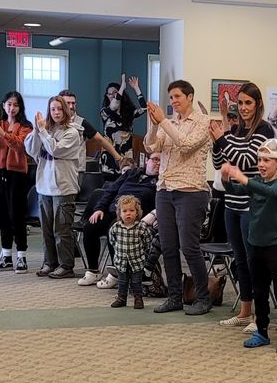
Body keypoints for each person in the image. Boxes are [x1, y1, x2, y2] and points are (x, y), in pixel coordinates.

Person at [222, 139, 277, 354]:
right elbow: (237, 191)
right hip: (256, 243)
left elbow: (272, 193)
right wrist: (226, 179)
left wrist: (243, 178)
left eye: (267, 160)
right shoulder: (257, 182)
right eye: (259, 159)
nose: (261, 163)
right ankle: (262, 331)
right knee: (259, 291)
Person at [145, 80, 214, 316]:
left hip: (191, 191)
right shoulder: (170, 122)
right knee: (168, 246)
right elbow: (151, 146)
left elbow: (185, 146)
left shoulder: (204, 122)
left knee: (189, 247)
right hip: (165, 189)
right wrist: (154, 124)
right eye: (171, 97)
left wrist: (163, 120)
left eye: (177, 97)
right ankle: (174, 297)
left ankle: (203, 298)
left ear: (190, 97)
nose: (173, 101)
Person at [210, 82, 275, 330]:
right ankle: (245, 311)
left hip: (253, 205)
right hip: (232, 203)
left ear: (257, 104)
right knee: (239, 260)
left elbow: (248, 163)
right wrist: (217, 142)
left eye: (249, 103)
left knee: (253, 260)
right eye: (241, 103)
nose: (244, 108)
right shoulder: (237, 131)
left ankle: (260, 314)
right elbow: (221, 162)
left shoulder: (264, 130)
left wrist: (224, 141)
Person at [77, 152, 160, 287]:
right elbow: (110, 191)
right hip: (113, 210)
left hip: (134, 217)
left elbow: (160, 204)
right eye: (155, 159)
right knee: (90, 227)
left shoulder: (160, 181)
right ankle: (93, 271)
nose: (158, 163)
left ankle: (117, 273)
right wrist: (99, 208)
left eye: (161, 161)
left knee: (115, 230)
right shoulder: (131, 173)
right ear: (146, 160)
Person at [25, 95, 84, 279]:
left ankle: (66, 265)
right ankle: (49, 263)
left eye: (59, 108)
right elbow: (31, 149)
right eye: (52, 109)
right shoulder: (45, 129)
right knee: (46, 230)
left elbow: (55, 150)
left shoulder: (72, 133)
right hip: (44, 187)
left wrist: (43, 132)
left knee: (61, 229)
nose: (56, 112)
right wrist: (37, 130)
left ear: (65, 110)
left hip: (64, 188)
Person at [0, 90, 34, 274]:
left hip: (16, 174)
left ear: (20, 107)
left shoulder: (25, 126)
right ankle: (6, 256)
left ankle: (21, 256)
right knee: (2, 213)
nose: (12, 108)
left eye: (15, 105)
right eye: (9, 104)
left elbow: (20, 145)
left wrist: (3, 134)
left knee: (17, 214)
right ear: (3, 105)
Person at [59, 89, 122, 173]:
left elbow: (101, 140)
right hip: (58, 169)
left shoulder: (81, 122)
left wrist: (118, 158)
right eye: (68, 103)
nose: (71, 106)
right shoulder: (53, 123)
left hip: (76, 170)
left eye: (73, 103)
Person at [108, 195, 153, 310]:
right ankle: (121, 298)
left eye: (132, 211)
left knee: (136, 281)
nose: (128, 213)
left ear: (137, 212)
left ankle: (138, 299)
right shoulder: (116, 227)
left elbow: (147, 241)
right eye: (125, 211)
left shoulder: (141, 228)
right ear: (119, 213)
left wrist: (142, 253)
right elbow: (112, 240)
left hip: (136, 261)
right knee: (122, 281)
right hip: (121, 260)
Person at [99, 74, 148, 176]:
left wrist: (136, 88)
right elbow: (114, 106)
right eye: (109, 94)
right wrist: (122, 88)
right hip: (109, 155)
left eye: (115, 93)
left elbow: (144, 108)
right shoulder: (105, 112)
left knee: (125, 182)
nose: (112, 95)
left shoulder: (129, 113)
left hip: (126, 156)